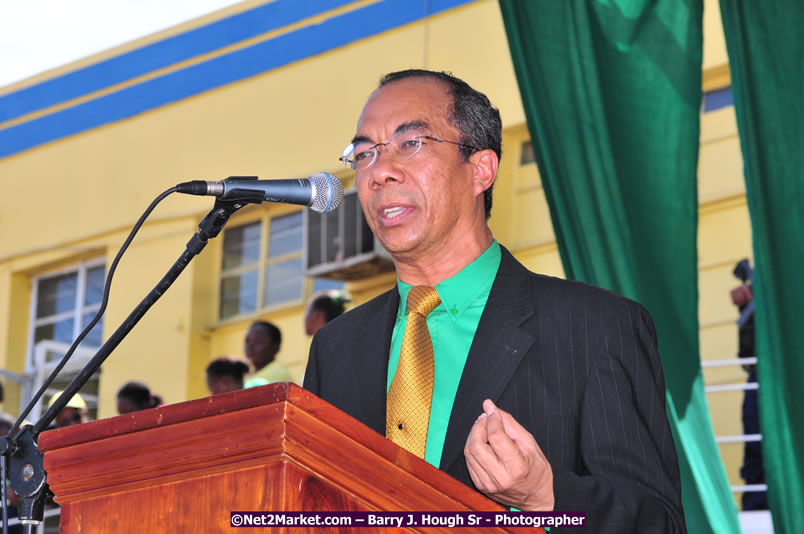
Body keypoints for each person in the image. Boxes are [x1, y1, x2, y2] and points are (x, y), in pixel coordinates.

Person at [303, 70, 685, 532]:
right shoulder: (335, 346)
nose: (379, 172)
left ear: (481, 169)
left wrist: (546, 496)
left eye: (412, 143)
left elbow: (658, 523)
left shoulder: (596, 327)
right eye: (365, 154)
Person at [243, 321, 293, 387]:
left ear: (275, 347)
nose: (250, 346)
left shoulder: (278, 375)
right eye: (247, 341)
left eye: (258, 341)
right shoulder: (249, 377)